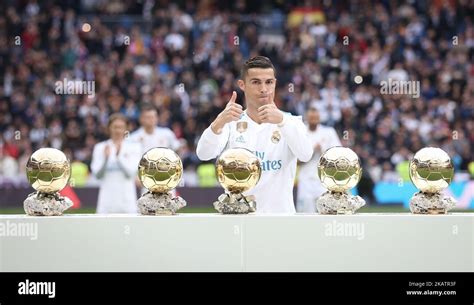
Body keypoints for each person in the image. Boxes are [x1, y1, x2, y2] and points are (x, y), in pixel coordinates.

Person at [196, 56, 312, 213]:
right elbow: (203, 154)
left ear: (275, 83)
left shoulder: (292, 122)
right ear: (242, 85)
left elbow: (305, 155)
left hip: (281, 220)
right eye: (256, 82)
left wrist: (282, 121)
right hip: (240, 220)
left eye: (269, 82)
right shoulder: (230, 123)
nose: (264, 89)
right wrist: (218, 122)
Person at [91, 113, 142, 214]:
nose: (117, 130)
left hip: (127, 201)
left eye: (120, 127)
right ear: (109, 128)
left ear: (126, 129)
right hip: (106, 201)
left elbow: (131, 173)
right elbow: (97, 175)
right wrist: (105, 160)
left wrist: (119, 157)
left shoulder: (135, 147)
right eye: (115, 127)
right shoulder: (100, 147)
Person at [297, 107, 341, 213]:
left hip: (325, 179)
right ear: (307, 118)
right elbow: (296, 160)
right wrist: (311, 152)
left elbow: (338, 156)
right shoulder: (300, 132)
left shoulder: (329, 132)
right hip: (305, 178)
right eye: (311, 118)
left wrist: (322, 151)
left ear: (319, 118)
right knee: (305, 213)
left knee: (327, 211)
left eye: (316, 117)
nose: (313, 120)